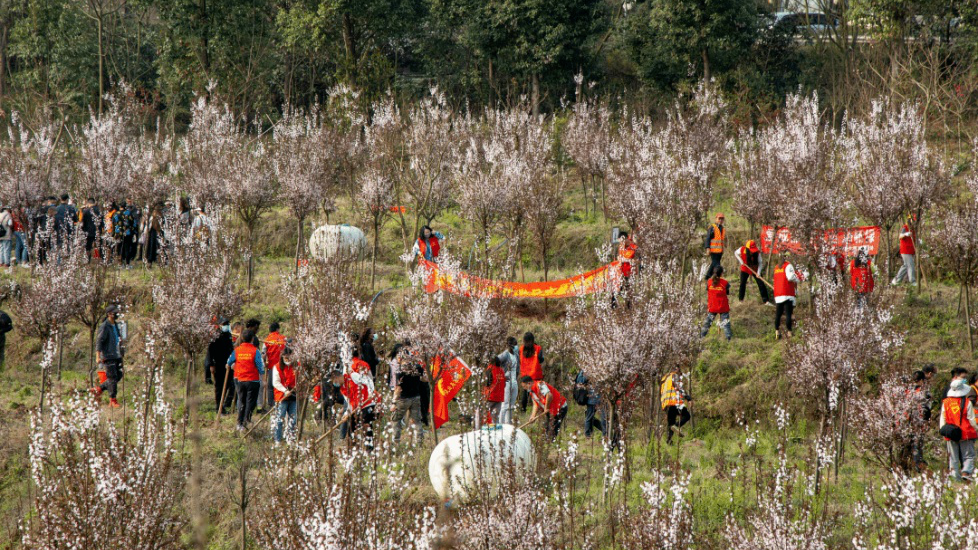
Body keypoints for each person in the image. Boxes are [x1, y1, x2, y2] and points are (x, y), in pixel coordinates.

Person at [330, 366, 379, 450]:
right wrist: (346, 414)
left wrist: (371, 392)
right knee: (351, 427)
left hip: (367, 403)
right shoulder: (342, 389)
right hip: (357, 408)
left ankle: (369, 448)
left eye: (335, 381)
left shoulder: (352, 376)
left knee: (366, 424)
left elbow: (368, 381)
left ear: (338, 377)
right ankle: (352, 450)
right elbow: (349, 403)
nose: (335, 384)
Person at [227, 329, 265, 431]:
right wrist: (262, 373)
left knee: (242, 401)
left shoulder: (237, 350)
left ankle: (239, 422)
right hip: (252, 380)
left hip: (240, 380)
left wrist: (230, 365)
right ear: (252, 339)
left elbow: (229, 361)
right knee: (250, 402)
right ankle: (246, 421)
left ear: (242, 338)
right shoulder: (255, 351)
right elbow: (260, 366)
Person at [940, 378, 977, 482]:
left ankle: (955, 478)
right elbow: (971, 420)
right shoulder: (967, 402)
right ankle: (966, 472)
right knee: (968, 455)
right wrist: (976, 429)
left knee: (953, 457)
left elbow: (942, 418)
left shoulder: (945, 402)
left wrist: (943, 431)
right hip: (966, 433)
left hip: (951, 432)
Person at [90, 305, 124, 408]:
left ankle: (99, 389)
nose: (116, 314)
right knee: (112, 378)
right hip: (108, 355)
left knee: (118, 375)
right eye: (114, 312)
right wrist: (98, 356)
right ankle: (112, 400)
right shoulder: (105, 326)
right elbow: (99, 341)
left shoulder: (116, 326)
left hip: (117, 355)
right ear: (109, 314)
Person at [391, 352, 425, 445]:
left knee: (396, 420)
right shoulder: (418, 367)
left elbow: (398, 388)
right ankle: (419, 442)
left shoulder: (400, 371)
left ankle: (396, 442)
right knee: (417, 421)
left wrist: (393, 402)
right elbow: (424, 379)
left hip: (403, 399)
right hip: (416, 397)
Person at [520, 375, 568, 441]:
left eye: (524, 386)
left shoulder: (540, 384)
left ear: (529, 383)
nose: (524, 388)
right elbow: (535, 404)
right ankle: (547, 442)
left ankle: (550, 443)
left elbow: (549, 395)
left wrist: (546, 408)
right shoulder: (532, 392)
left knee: (553, 427)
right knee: (548, 426)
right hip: (550, 409)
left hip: (560, 407)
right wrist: (533, 416)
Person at [205, 317, 235, 414]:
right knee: (219, 386)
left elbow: (231, 349)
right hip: (218, 363)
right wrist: (211, 364)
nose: (226, 326)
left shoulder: (228, 335)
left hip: (228, 364)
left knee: (228, 385)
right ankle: (219, 407)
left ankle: (223, 405)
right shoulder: (215, 336)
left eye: (227, 324)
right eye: (224, 324)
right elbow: (210, 351)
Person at [271, 347, 298, 443]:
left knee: (293, 418)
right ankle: (277, 439)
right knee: (280, 419)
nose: (288, 360)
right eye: (286, 358)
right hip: (281, 396)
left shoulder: (296, 366)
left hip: (294, 395)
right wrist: (285, 390)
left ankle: (290, 439)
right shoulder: (277, 367)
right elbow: (276, 382)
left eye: (289, 358)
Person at [773, 253, 802, 340]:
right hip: (787, 292)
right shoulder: (788, 265)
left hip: (778, 294)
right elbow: (790, 277)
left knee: (778, 314)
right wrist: (797, 278)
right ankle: (789, 332)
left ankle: (777, 332)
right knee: (788, 314)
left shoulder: (776, 267)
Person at [734, 239, 771, 305]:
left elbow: (760, 263)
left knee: (761, 284)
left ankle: (766, 301)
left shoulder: (757, 253)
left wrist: (758, 273)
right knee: (742, 284)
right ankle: (740, 300)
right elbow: (735, 253)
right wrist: (741, 261)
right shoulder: (742, 249)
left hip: (755, 269)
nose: (752, 252)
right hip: (745, 268)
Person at [661, 366, 691, 444]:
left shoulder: (664, 378)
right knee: (687, 416)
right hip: (674, 402)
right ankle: (677, 426)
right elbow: (678, 388)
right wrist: (688, 398)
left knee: (671, 424)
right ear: (676, 369)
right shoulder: (674, 376)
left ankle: (669, 441)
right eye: (679, 369)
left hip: (665, 404)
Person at [701, 265, 732, 341]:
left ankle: (701, 337)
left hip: (712, 307)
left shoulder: (709, 282)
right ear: (721, 273)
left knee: (707, 323)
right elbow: (727, 293)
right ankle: (728, 339)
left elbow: (708, 291)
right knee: (725, 323)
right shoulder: (725, 283)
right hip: (723, 307)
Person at [518, 332, 545, 413]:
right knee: (538, 394)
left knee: (525, 394)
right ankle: (541, 409)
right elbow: (541, 360)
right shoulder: (538, 348)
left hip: (525, 375)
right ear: (533, 340)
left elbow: (519, 360)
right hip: (535, 375)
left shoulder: (521, 349)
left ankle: (523, 410)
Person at [262, 322, 286, 407]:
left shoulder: (267, 339)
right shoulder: (283, 338)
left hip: (272, 365)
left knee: (271, 386)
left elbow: (263, 352)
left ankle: (271, 404)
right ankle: (281, 402)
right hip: (283, 366)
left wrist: (264, 362)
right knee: (282, 384)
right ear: (277, 329)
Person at [574, 371, 604, 438]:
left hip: (594, 397)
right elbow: (581, 381)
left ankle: (591, 433)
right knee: (589, 417)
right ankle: (588, 434)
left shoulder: (584, 371)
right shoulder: (584, 372)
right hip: (592, 398)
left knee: (590, 416)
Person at [498, 337, 520, 425]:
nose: (516, 347)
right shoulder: (504, 355)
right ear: (509, 345)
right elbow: (495, 362)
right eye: (514, 345)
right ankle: (501, 423)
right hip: (506, 382)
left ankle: (508, 422)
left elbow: (517, 368)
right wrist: (502, 376)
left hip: (514, 381)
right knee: (505, 404)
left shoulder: (516, 355)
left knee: (511, 405)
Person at [480, 356, 507, 427]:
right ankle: (496, 430)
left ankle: (485, 430)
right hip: (499, 397)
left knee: (486, 415)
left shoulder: (489, 370)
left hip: (490, 396)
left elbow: (487, 383)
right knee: (495, 416)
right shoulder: (501, 371)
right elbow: (504, 384)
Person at [892, 217, 916, 286]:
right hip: (905, 250)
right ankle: (912, 281)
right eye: (913, 220)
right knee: (911, 265)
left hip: (911, 250)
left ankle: (896, 279)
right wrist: (905, 234)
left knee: (906, 266)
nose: (914, 221)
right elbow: (900, 236)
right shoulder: (905, 227)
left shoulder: (914, 229)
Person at [703, 213, 726, 281]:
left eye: (722, 219)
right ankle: (718, 278)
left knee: (714, 264)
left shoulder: (722, 228)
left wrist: (722, 249)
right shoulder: (712, 227)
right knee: (717, 265)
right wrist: (707, 248)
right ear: (716, 219)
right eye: (719, 218)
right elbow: (708, 238)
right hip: (713, 251)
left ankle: (707, 277)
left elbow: (721, 241)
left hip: (720, 251)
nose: (721, 220)